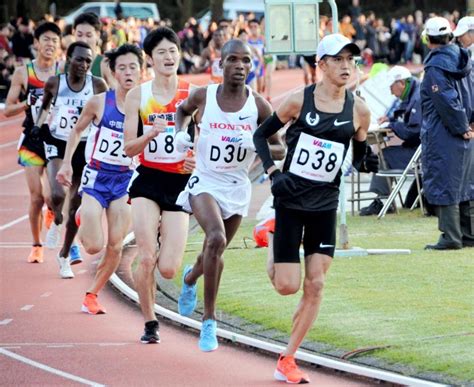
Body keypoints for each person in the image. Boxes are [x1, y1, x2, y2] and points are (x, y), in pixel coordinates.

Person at [253, 34, 378, 383]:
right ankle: (271, 234)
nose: (345, 67)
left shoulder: (359, 110)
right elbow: (261, 136)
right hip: (290, 201)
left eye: (350, 60)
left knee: (317, 285)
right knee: (286, 287)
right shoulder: (298, 101)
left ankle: (288, 358)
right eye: (337, 60)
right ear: (320, 65)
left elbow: (361, 151)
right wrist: (272, 172)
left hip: (325, 204)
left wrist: (368, 160)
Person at [174, 39, 284, 352]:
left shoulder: (259, 105)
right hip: (206, 181)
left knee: (213, 252)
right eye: (233, 60)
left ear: (252, 66)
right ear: (220, 64)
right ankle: (209, 321)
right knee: (216, 239)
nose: (240, 66)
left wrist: (254, 142)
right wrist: (181, 134)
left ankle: (191, 277)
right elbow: (182, 112)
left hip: (237, 188)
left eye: (246, 61)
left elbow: (279, 146)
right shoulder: (204, 95)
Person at [56, 44, 143, 313]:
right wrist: (68, 163)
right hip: (96, 177)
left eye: (133, 67)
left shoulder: (148, 105)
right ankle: (83, 214)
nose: (128, 72)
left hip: (125, 180)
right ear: (114, 72)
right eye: (123, 68)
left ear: (141, 71)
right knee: (93, 246)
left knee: (116, 245)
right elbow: (76, 132)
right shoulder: (99, 102)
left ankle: (92, 295)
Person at [123, 27, 195, 344]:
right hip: (148, 180)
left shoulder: (193, 95)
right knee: (147, 256)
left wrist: (198, 161)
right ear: (150, 58)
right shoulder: (138, 96)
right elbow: (128, 148)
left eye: (172, 51)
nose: (168, 57)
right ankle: (150, 321)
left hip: (180, 183)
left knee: (167, 268)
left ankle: (183, 272)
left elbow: (206, 138)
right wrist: (150, 134)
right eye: (161, 52)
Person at [33, 41, 108, 277]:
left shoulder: (97, 84)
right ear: (68, 59)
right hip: (57, 142)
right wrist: (37, 126)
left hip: (85, 147)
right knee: (57, 194)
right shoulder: (55, 83)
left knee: (76, 205)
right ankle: (56, 219)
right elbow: (44, 106)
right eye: (79, 59)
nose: (84, 64)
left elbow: (104, 113)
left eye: (88, 60)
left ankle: (64, 255)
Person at [4, 22, 61, 263]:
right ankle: (37, 245)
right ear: (36, 43)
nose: (50, 44)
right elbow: (7, 110)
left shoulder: (64, 72)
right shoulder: (23, 73)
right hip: (32, 139)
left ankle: (52, 213)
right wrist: (28, 103)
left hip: (56, 138)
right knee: (36, 196)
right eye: (46, 39)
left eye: (55, 41)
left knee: (52, 197)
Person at [421, 17, 474, 250]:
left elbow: (446, 101)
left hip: (445, 132)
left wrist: (461, 126)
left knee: (445, 181)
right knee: (465, 183)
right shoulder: (464, 60)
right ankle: (468, 234)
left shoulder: (436, 66)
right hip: (467, 130)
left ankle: (451, 236)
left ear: (427, 39)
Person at [360, 65, 422, 216]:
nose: (390, 91)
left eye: (391, 87)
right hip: (421, 150)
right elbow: (405, 113)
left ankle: (382, 201)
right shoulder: (413, 93)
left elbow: (413, 131)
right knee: (385, 152)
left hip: (422, 154)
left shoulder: (417, 97)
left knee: (383, 154)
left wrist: (392, 126)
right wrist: (391, 119)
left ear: (400, 83)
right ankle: (384, 199)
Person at [72, 13, 115, 88]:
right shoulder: (64, 66)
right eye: (79, 35)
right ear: (73, 33)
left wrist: (107, 99)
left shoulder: (104, 64)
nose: (83, 40)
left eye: (89, 35)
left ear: (97, 35)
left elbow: (114, 92)